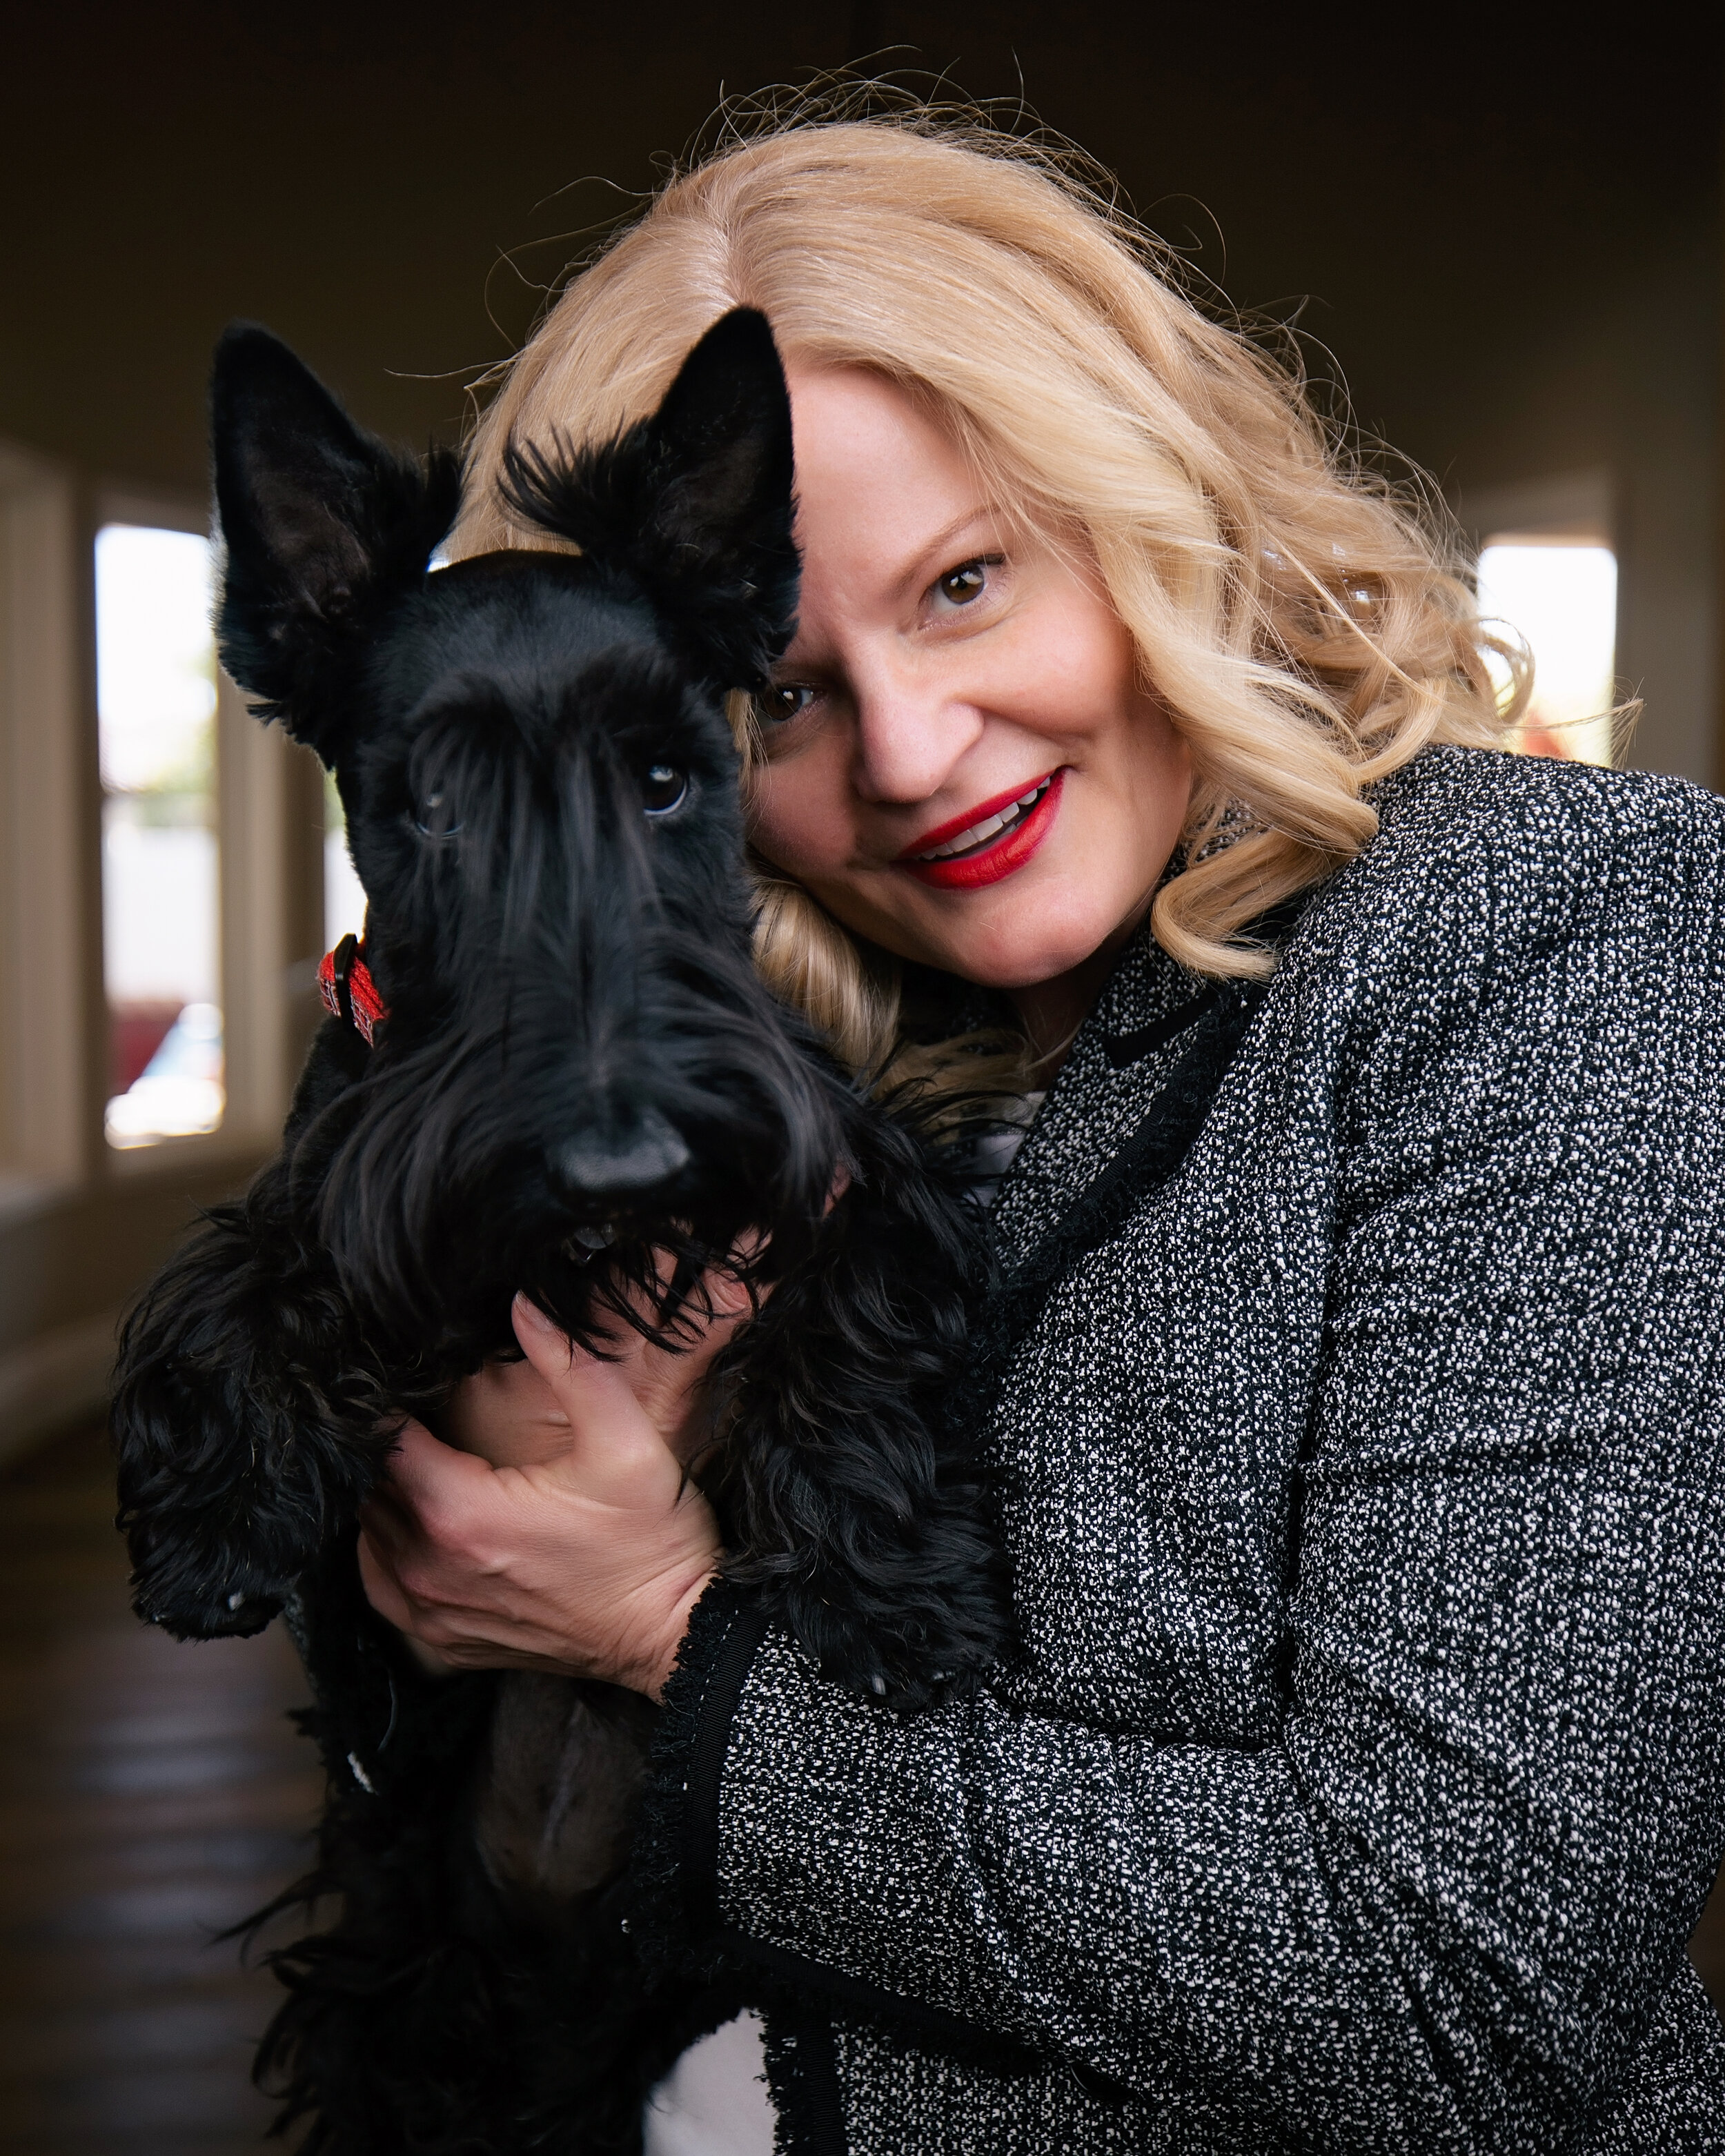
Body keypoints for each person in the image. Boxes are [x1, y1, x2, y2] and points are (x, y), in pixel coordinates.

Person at [354, 109, 1725, 2153]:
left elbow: (1454, 1986)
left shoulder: (1554, 925)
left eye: (965, 585)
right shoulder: (751, 1097)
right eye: (781, 698)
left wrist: (664, 1637)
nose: (909, 754)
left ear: (1147, 509)